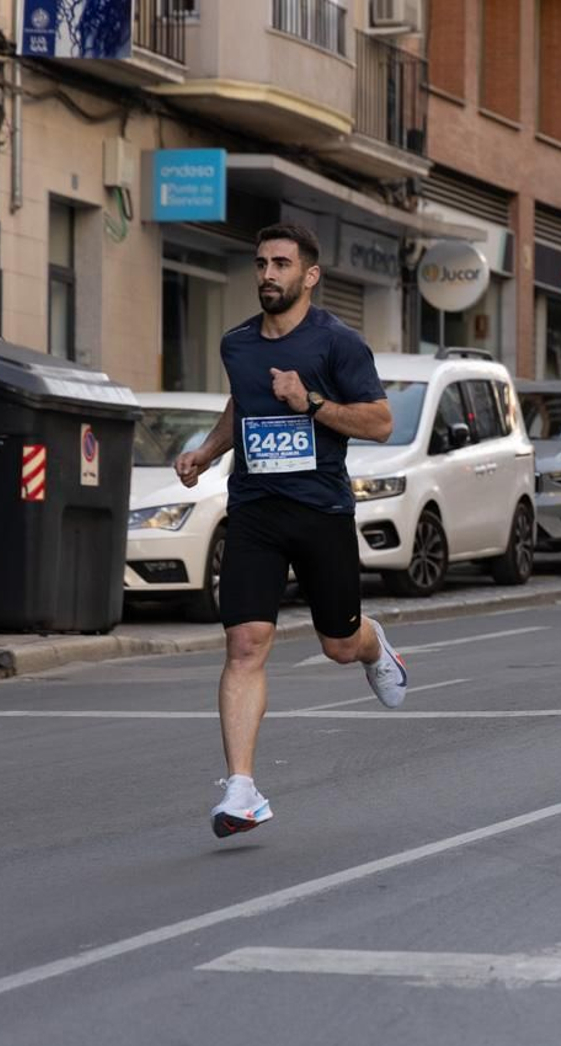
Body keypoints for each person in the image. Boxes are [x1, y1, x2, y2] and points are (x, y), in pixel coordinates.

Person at [174, 223, 408, 838]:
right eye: (261, 263)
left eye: (281, 263)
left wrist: (310, 403)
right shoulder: (237, 344)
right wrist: (206, 451)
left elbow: (381, 423)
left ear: (309, 275)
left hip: (320, 510)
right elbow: (242, 405)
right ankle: (242, 789)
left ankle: (372, 644)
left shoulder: (339, 343)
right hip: (253, 509)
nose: (268, 274)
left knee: (337, 644)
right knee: (244, 644)